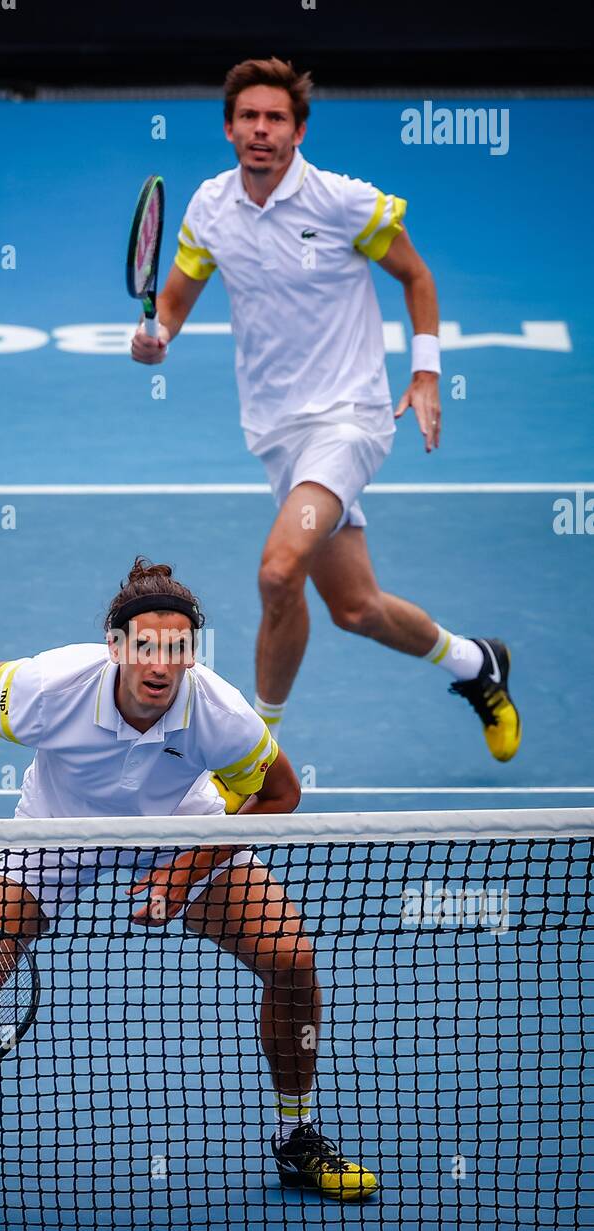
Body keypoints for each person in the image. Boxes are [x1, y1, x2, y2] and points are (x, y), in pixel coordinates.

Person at [0, 558, 378, 1211]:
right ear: (115, 647)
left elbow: (281, 793)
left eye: (176, 649)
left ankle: (296, 1135)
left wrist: (186, 870)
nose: (159, 664)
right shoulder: (55, 686)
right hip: (55, 833)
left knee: (292, 960)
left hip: (177, 829)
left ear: (192, 654)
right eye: (145, 646)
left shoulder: (218, 713)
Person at [131, 58, 521, 802]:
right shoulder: (209, 207)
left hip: (350, 420)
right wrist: (157, 336)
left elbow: (416, 276)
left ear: (298, 131)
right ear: (228, 128)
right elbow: (174, 300)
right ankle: (477, 664)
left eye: (275, 118)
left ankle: (253, 760)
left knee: (278, 572)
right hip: (276, 432)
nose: (261, 129)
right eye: (249, 117)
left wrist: (426, 371)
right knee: (356, 608)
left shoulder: (345, 201)